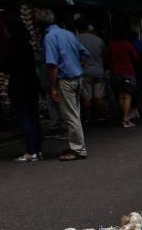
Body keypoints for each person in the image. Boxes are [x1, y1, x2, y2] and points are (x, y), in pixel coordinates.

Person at [36, 9, 88, 160]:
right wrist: (77, 67)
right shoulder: (68, 33)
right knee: (74, 114)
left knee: (70, 116)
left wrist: (52, 87)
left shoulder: (50, 37)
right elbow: (84, 54)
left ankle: (78, 149)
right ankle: (77, 145)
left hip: (65, 80)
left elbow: (52, 65)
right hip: (77, 77)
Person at [6, 21, 43, 162]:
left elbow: (7, 66)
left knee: (25, 118)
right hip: (31, 85)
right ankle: (37, 150)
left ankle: (31, 151)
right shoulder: (28, 47)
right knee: (33, 117)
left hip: (19, 86)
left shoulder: (14, 48)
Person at [107, 27, 141, 128]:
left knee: (121, 96)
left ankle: (124, 116)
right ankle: (125, 119)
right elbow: (136, 58)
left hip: (115, 72)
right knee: (127, 96)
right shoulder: (127, 44)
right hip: (127, 72)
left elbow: (106, 58)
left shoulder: (110, 45)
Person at [76, 21, 106, 125]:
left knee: (87, 96)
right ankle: (101, 117)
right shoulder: (98, 40)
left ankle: (88, 118)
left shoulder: (77, 39)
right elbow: (103, 54)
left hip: (85, 70)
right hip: (98, 70)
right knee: (100, 95)